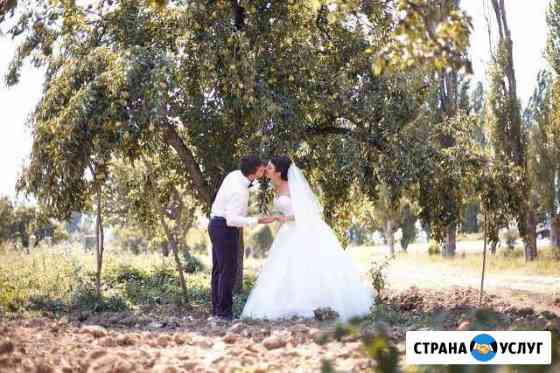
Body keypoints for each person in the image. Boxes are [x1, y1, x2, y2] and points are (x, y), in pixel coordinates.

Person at [241, 155, 374, 321]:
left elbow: (306, 212)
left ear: (279, 171)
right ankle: (287, 304)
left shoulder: (292, 187)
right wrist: (277, 216)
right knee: (284, 269)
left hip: (301, 231)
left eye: (269, 167)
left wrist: (284, 218)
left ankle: (316, 306)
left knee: (306, 266)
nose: (266, 169)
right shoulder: (276, 187)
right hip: (287, 231)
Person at [208, 155, 275, 320]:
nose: (264, 169)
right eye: (261, 169)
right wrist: (258, 220)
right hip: (225, 228)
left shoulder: (234, 175)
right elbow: (232, 220)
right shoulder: (240, 191)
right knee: (228, 272)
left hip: (215, 224)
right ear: (252, 173)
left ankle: (218, 311)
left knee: (219, 271)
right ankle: (224, 314)